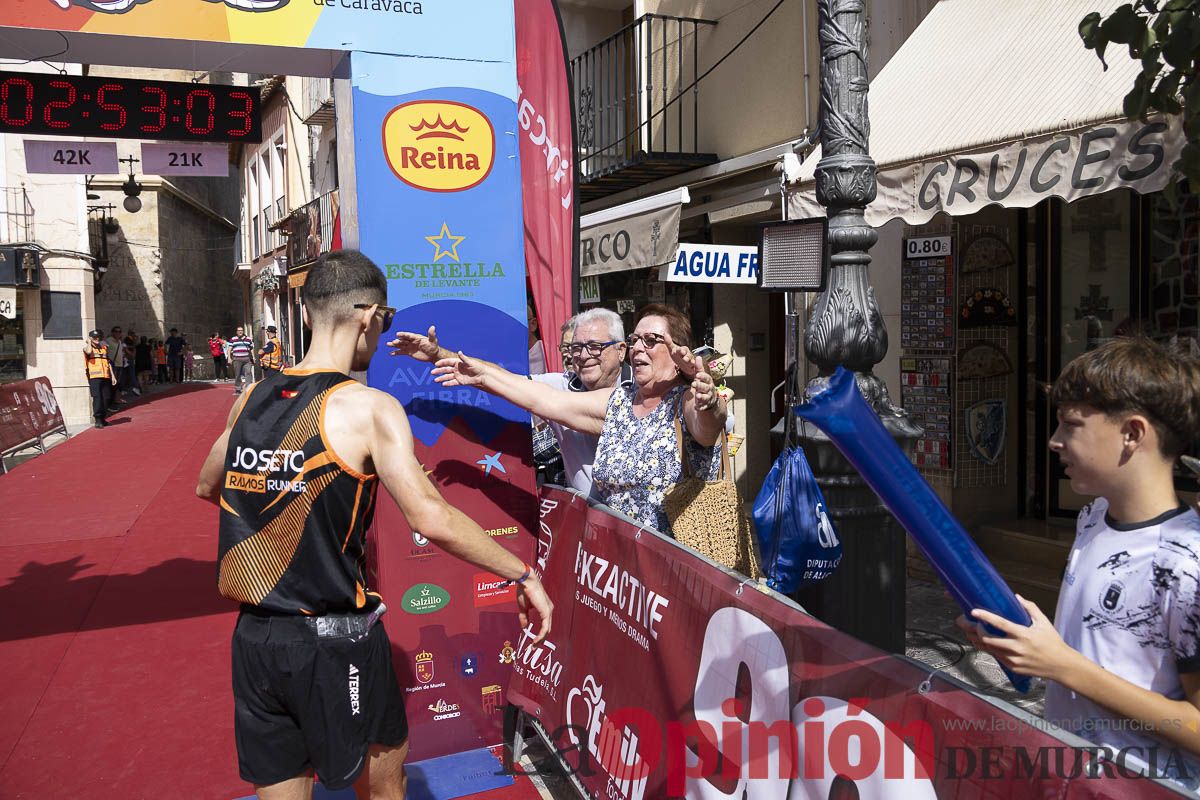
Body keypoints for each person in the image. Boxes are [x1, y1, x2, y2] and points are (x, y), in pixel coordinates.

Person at [195, 249, 552, 800]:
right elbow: (430, 516)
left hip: (256, 640)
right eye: (385, 320)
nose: (382, 332)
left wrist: (281, 496)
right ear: (368, 316)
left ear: (307, 313)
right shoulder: (368, 407)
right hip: (337, 639)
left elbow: (208, 485)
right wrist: (523, 573)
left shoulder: (249, 398)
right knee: (385, 788)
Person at [958, 337, 1200, 785]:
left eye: (1071, 424)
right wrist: (1022, 643)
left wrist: (1062, 665)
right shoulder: (1092, 518)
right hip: (1069, 776)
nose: (1054, 441)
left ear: (1133, 433)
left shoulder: (1188, 564)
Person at [432, 303, 725, 535]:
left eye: (651, 340)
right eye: (635, 340)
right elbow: (541, 398)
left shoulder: (687, 400)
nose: (638, 347)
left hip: (678, 570)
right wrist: (479, 374)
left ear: (678, 353)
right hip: (622, 567)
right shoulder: (619, 401)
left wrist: (708, 397)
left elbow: (709, 423)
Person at [390, 308, 631, 500]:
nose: (584, 355)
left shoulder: (638, 395)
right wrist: (438, 354)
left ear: (621, 350)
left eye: (595, 347)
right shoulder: (562, 385)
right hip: (588, 524)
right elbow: (505, 380)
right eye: (576, 347)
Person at [83, 329, 114, 429]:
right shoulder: (87, 348)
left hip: (106, 376)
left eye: (98, 337)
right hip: (94, 377)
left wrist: (113, 376)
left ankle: (103, 417)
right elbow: (88, 351)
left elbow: (108, 362)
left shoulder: (103, 348)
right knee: (97, 398)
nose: (97, 339)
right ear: (90, 338)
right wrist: (89, 342)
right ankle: (98, 420)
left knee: (107, 398)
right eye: (95, 337)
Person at [227, 325, 254, 394]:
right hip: (237, 359)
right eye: (239, 331)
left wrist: (253, 357)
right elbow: (229, 349)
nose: (240, 332)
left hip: (247, 359)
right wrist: (229, 358)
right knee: (237, 374)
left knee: (248, 372)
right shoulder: (233, 339)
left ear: (243, 331)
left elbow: (251, 349)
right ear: (236, 332)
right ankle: (238, 388)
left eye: (241, 330)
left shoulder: (248, 339)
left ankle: (248, 388)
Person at [104, 326, 127, 404]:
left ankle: (116, 399)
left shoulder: (120, 342)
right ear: (112, 332)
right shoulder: (108, 341)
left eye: (119, 332)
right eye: (116, 331)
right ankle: (111, 401)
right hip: (113, 365)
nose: (118, 333)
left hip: (120, 364)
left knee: (117, 383)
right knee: (113, 383)